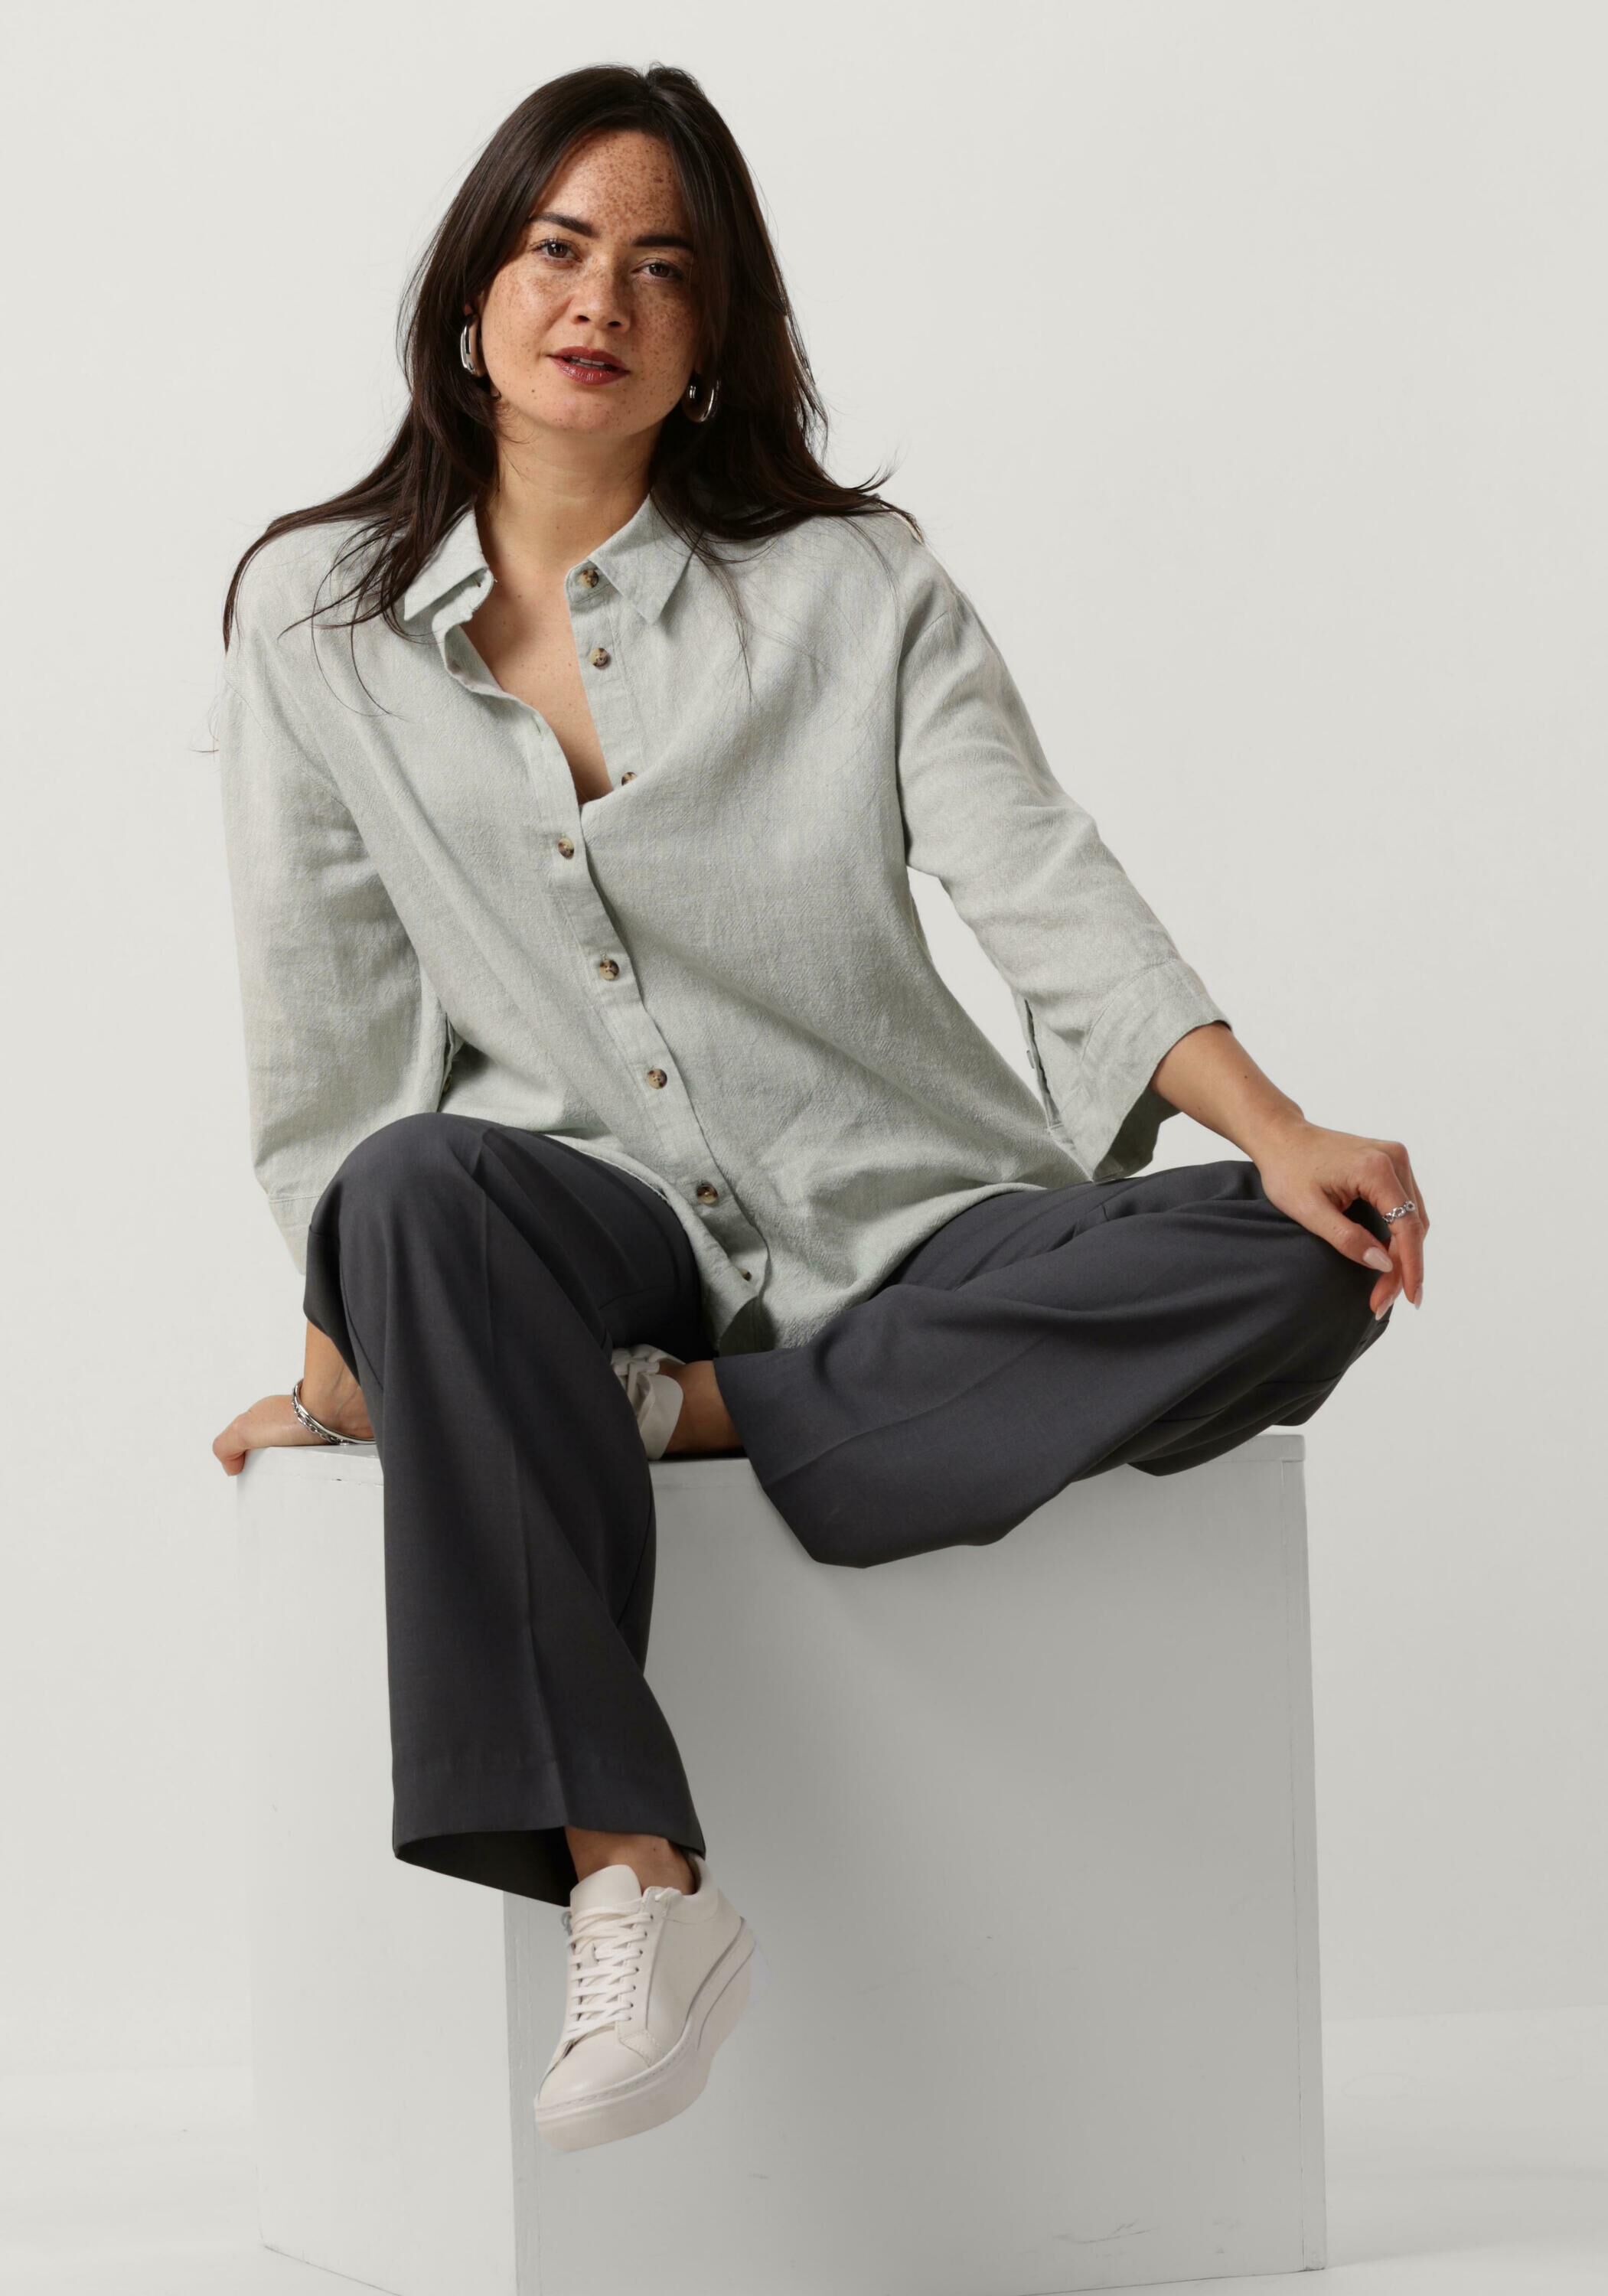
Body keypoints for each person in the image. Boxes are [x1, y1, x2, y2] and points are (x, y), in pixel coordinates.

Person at [208, 63, 1427, 2152]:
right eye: (556, 247)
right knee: (413, 1186)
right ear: (473, 292)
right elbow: (325, 1042)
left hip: (916, 1215)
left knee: (1302, 1260)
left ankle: (681, 1415)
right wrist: (357, 1363)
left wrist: (1276, 1119)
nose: (600, 300)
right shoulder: (314, 627)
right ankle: (638, 1885)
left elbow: (1037, 878)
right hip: (596, 1224)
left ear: (714, 340)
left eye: (661, 267)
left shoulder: (856, 587)